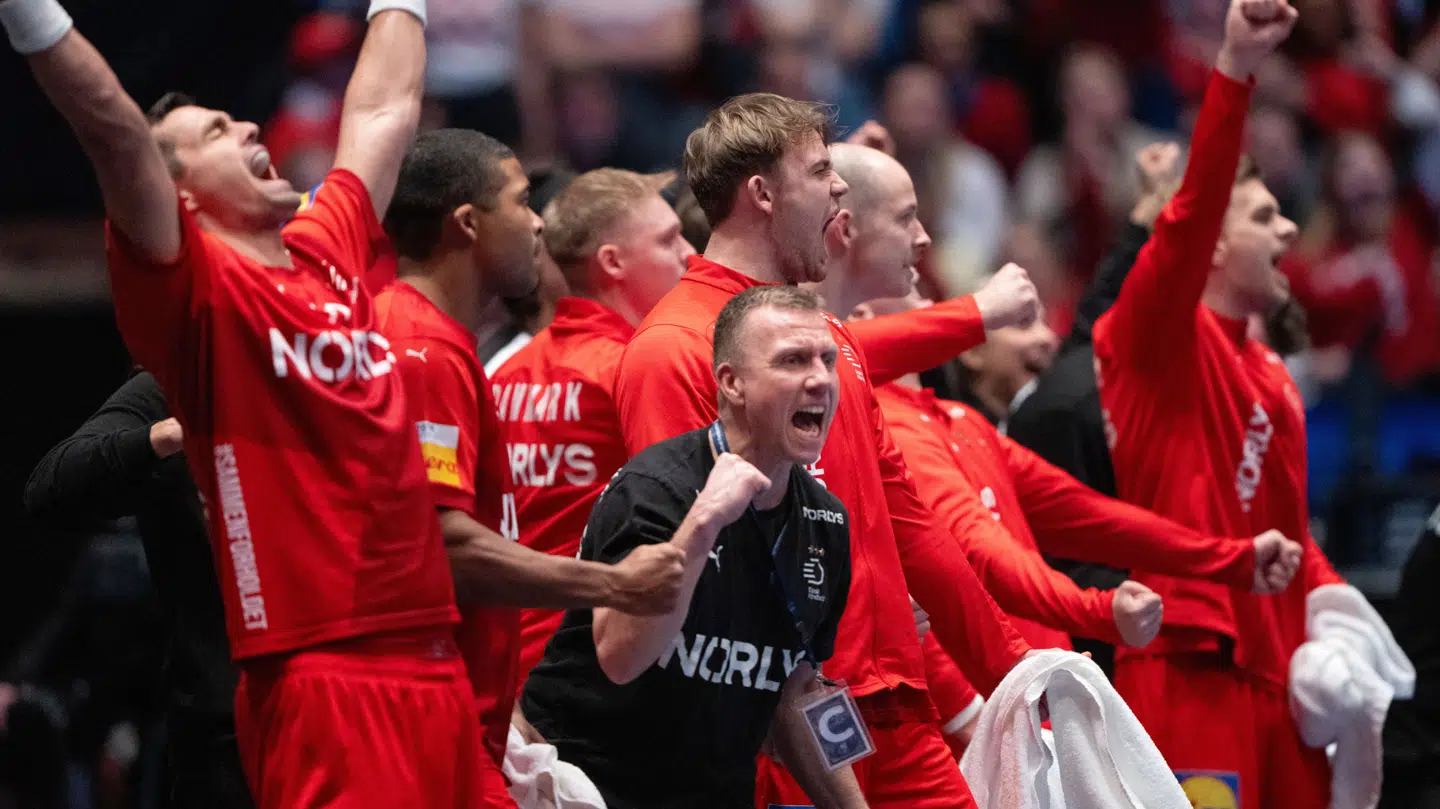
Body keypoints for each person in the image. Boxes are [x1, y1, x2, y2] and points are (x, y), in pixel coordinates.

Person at [1, 0, 490, 804]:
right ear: (180, 195)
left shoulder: (326, 249)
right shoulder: (196, 295)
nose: (252, 130)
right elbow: (114, 131)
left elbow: (383, 108)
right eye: (219, 133)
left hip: (435, 659)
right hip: (321, 670)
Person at [615, 92, 1034, 809]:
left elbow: (907, 519)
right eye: (819, 172)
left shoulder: (825, 336)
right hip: (779, 720)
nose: (840, 187)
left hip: (895, 705)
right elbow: (693, 558)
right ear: (763, 194)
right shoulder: (674, 345)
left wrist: (1021, 677)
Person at [1090, 2, 1367, 806]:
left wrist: (1342, 618)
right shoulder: (1154, 337)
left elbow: (1285, 519)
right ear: (1211, 239)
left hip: (1275, 664)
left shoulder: (1271, 368)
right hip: (1187, 655)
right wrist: (1236, 70)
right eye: (1263, 215)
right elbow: (1191, 207)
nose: (1288, 230)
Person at [852, 289, 1304, 751]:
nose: (927, 291)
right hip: (999, 719)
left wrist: (1231, 558)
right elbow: (976, 551)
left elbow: (1086, 515)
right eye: (908, 286)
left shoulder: (959, 419)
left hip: (1050, 704)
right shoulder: (887, 425)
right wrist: (1098, 610)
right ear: (864, 316)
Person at [374, 130, 686, 784]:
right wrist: (615, 583)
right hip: (431, 711)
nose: (540, 219)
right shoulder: (419, 348)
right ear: (467, 223)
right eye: (520, 201)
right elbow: (443, 544)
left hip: (487, 703)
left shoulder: (462, 352)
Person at [522, 285, 864, 809]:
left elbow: (797, 691)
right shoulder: (658, 488)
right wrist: (702, 525)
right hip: (588, 789)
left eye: (826, 360)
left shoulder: (825, 522)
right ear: (732, 383)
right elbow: (620, 656)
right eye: (793, 361)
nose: (820, 379)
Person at [493, 167, 696, 687]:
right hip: (599, 658)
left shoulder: (504, 375)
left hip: (511, 653)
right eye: (670, 240)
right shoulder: (633, 369)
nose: (690, 256)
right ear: (613, 262)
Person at [23, 370, 252, 809]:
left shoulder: (346, 381)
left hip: (335, 701)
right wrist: (169, 435)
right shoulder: (181, 386)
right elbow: (49, 487)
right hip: (220, 731)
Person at [1005, 141, 1184, 676]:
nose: (1041, 338)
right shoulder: (1038, 409)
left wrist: (1144, 216)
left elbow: (1094, 325)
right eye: (1016, 325)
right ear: (967, 358)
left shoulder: (1061, 390)